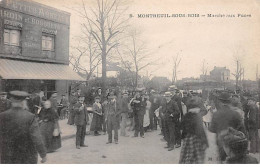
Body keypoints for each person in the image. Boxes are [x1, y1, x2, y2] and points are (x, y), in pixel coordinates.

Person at [0, 91, 47, 164]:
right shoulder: (30, 117)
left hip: (7, 156)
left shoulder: (2, 116)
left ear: (12, 102)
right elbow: (36, 137)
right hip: (27, 156)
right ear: (24, 102)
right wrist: (43, 154)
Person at [209, 91, 246, 162]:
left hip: (221, 141)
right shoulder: (236, 113)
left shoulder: (216, 114)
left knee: (222, 160)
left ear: (220, 101)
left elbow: (211, 129)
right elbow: (242, 129)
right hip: (234, 142)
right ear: (230, 101)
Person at [179, 96, 208, 164]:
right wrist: (205, 142)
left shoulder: (186, 116)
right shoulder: (197, 117)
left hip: (187, 140)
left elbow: (181, 128)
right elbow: (200, 130)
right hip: (197, 139)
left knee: (186, 157)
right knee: (198, 158)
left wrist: (183, 138)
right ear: (196, 108)